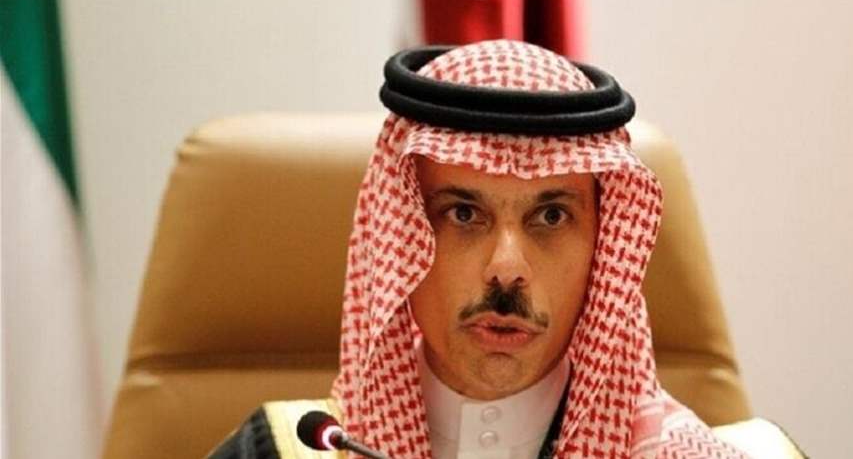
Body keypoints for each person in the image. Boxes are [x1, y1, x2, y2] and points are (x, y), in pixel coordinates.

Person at [209, 40, 803, 458]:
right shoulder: (290, 450)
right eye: (463, 214)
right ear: (399, 234)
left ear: (603, 249)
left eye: (551, 216)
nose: (507, 269)